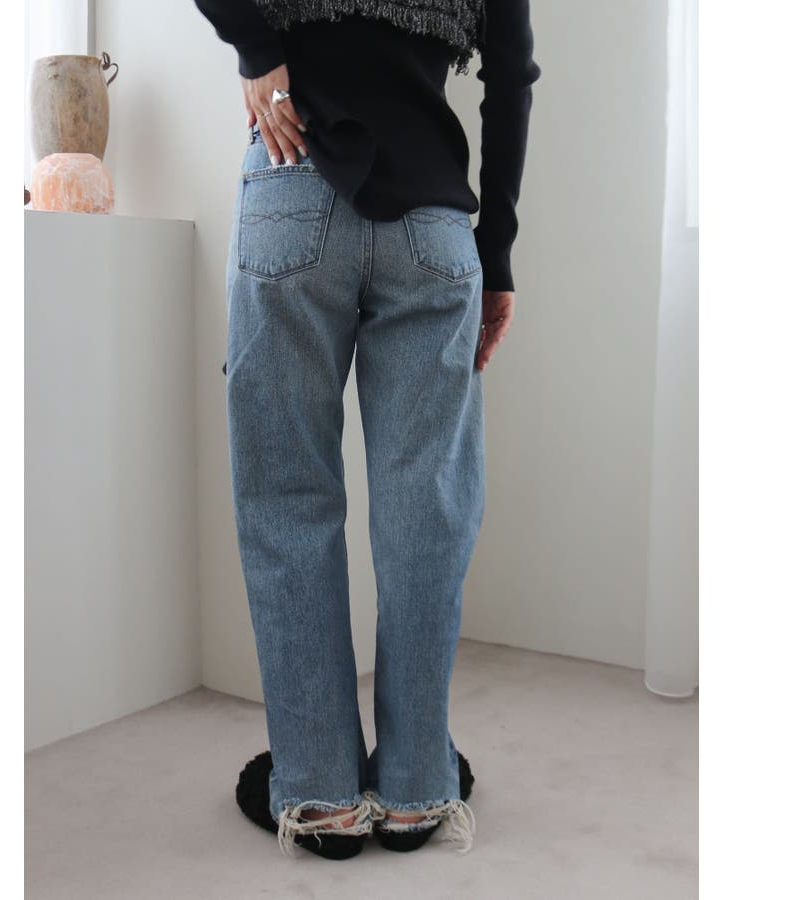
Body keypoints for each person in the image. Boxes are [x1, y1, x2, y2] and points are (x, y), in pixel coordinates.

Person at [192, 0, 541, 860]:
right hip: (433, 225)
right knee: (428, 507)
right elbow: (511, 78)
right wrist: (495, 256)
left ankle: (319, 796)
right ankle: (417, 789)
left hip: (293, 175)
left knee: (287, 496)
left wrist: (258, 49)